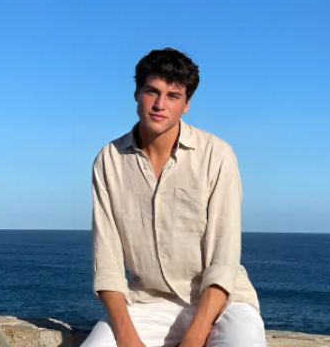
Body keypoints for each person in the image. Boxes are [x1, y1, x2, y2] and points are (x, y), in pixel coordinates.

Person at [82, 48, 266, 347]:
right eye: (152, 91)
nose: (159, 105)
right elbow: (107, 263)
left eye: (173, 96)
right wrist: (128, 339)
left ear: (187, 104)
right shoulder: (109, 159)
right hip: (147, 302)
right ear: (136, 93)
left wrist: (194, 337)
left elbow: (224, 259)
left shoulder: (217, 155)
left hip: (222, 302)